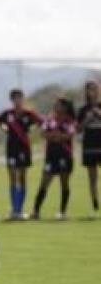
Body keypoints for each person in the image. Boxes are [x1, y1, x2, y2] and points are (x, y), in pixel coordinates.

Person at [0, 89, 43, 219]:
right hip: (11, 148)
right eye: (15, 98)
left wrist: (32, 130)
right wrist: (5, 128)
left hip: (24, 148)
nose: (17, 101)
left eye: (19, 98)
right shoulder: (8, 114)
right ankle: (14, 208)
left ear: (23, 99)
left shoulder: (29, 113)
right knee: (12, 177)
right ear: (12, 100)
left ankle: (20, 209)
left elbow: (41, 123)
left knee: (22, 177)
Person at [32, 98, 77, 220]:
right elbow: (43, 133)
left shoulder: (70, 121)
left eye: (58, 105)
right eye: (55, 104)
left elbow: (70, 135)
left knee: (64, 183)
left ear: (65, 107)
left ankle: (62, 212)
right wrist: (55, 136)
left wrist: (57, 136)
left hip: (65, 155)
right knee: (44, 182)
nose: (55, 106)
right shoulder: (50, 120)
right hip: (51, 156)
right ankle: (35, 211)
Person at [77, 80, 101, 216]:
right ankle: (95, 206)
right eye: (89, 89)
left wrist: (98, 114)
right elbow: (78, 129)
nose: (92, 92)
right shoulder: (82, 109)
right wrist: (87, 119)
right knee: (92, 179)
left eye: (95, 89)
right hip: (89, 147)